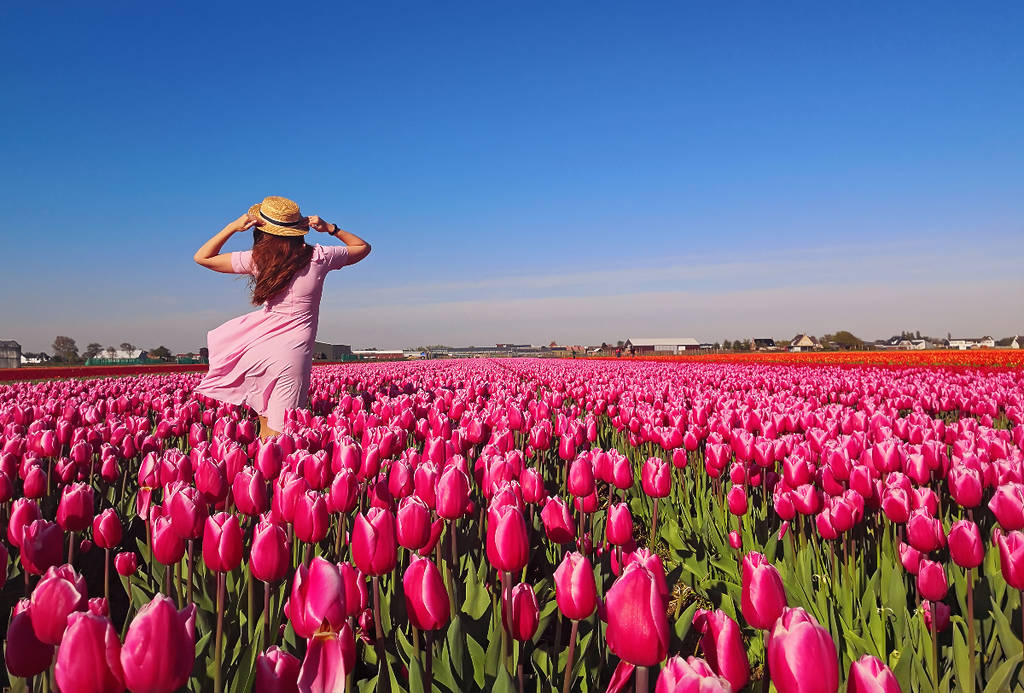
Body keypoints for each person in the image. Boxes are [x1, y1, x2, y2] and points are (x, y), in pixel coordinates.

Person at [193, 196, 371, 439]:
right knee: (281, 435)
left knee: (266, 428)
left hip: (259, 347)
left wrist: (233, 227)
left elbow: (203, 257)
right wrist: (331, 228)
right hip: (292, 353)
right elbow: (363, 248)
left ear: (262, 230)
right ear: (298, 230)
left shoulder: (258, 259)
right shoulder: (319, 256)